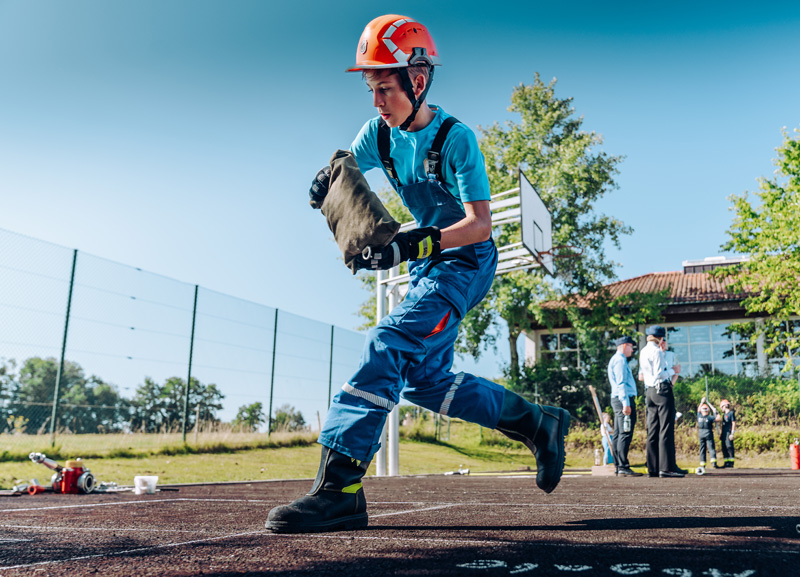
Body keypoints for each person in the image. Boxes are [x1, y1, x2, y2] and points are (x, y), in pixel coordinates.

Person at [266, 14, 571, 534]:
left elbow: (479, 225)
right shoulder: (378, 135)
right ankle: (535, 421)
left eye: (385, 88)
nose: (377, 102)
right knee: (426, 384)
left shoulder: (456, 140)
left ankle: (339, 489)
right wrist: (327, 179)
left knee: (388, 342)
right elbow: (347, 168)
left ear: (418, 80)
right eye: (371, 90)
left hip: (466, 262)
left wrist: (413, 242)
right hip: (430, 264)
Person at [639, 325, 683, 478]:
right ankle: (666, 468)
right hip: (662, 390)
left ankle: (653, 468)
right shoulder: (657, 351)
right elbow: (659, 374)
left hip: (650, 391)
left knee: (652, 430)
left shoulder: (643, 351)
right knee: (666, 428)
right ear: (661, 338)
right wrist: (673, 371)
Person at [607, 335, 641, 476]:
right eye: (631, 347)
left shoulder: (616, 359)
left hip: (618, 399)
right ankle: (622, 466)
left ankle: (618, 465)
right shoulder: (620, 360)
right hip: (623, 399)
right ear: (625, 345)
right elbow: (621, 383)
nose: (632, 350)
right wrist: (626, 403)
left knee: (619, 433)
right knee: (625, 432)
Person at [697, 397, 722, 472]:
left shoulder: (699, 416)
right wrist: (716, 412)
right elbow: (719, 419)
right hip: (708, 433)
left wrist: (701, 402)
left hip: (701, 433)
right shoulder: (710, 417)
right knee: (711, 448)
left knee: (702, 449)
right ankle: (714, 463)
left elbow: (698, 410)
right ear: (708, 410)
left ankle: (703, 464)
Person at [719, 399, 736, 467]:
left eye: (721, 407)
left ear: (724, 406)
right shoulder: (723, 415)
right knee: (724, 447)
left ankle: (731, 463)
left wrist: (732, 434)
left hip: (728, 432)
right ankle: (726, 463)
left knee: (729, 447)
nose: (721, 409)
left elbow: (733, 423)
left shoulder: (731, 413)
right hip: (724, 433)